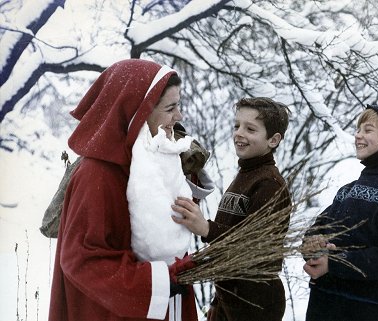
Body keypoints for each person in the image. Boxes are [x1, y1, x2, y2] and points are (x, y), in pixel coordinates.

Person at [48, 59, 211, 321]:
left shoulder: (150, 155)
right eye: (170, 108)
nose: (179, 116)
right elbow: (82, 261)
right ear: (138, 113)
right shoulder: (97, 175)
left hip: (164, 301)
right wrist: (157, 283)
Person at [171, 97, 292, 321]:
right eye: (237, 126)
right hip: (231, 295)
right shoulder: (246, 174)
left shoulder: (269, 184)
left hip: (255, 300)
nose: (239, 133)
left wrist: (207, 228)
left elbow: (255, 249)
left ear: (273, 140)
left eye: (250, 129)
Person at [301, 104, 378, 321]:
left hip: (362, 312)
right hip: (320, 308)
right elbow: (315, 231)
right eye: (358, 129)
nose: (358, 135)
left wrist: (333, 262)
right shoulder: (347, 191)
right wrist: (313, 245)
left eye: (368, 130)